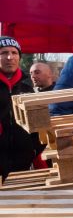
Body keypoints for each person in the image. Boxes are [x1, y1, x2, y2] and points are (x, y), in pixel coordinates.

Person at [0, 37, 40, 179]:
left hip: (23, 163)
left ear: (19, 57)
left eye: (14, 52)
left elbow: (37, 128)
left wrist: (37, 153)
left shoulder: (28, 89)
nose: (9, 57)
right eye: (3, 53)